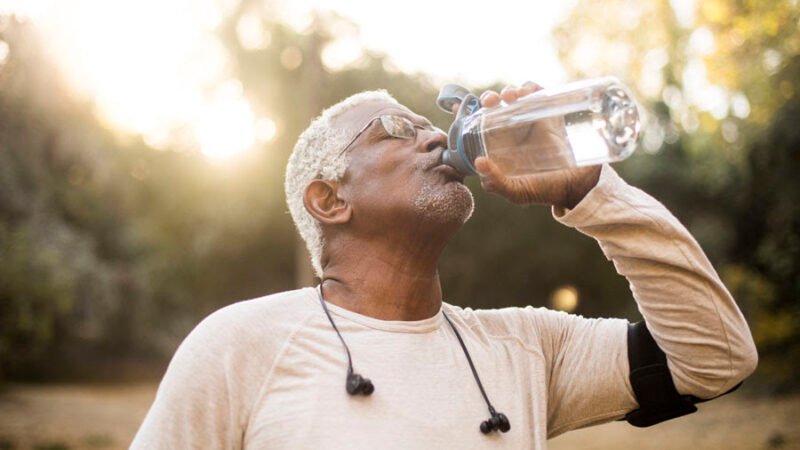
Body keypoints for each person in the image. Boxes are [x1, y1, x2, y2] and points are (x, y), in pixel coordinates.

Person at [131, 82, 758, 449]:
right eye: (394, 129)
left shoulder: (527, 347)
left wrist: (590, 193)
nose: (434, 137)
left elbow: (717, 358)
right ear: (330, 199)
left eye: (430, 125)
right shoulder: (240, 345)